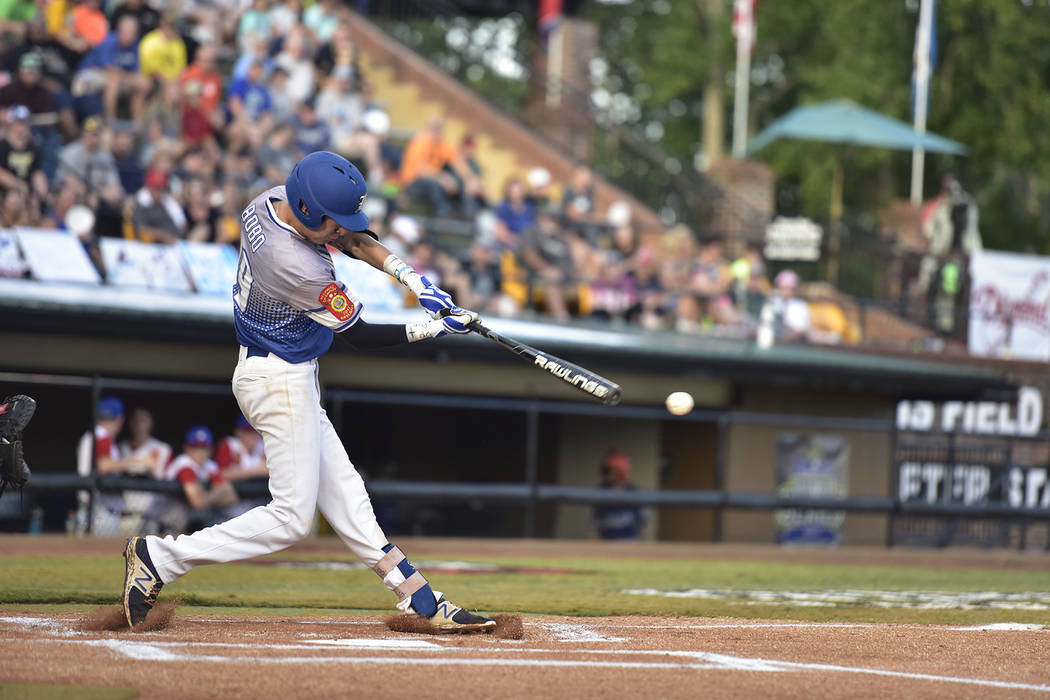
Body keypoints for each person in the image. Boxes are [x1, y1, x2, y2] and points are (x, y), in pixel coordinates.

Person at [121, 150, 496, 633]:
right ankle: (161, 557)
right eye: (332, 221)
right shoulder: (295, 265)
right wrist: (434, 329)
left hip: (287, 373)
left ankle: (422, 601)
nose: (340, 230)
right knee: (292, 520)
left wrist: (415, 279)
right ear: (305, 209)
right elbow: (358, 334)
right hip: (276, 379)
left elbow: (356, 240)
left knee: (349, 498)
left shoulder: (271, 200)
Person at [162, 426, 239, 532]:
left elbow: (231, 497)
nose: (200, 452)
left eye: (203, 447)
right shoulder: (184, 464)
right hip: (159, 518)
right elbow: (197, 502)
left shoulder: (209, 466)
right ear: (186, 448)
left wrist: (205, 498)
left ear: (210, 450)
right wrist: (216, 494)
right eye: (195, 447)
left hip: (179, 521)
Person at [214, 414, 268, 514]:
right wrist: (255, 471)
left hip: (260, 499)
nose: (252, 435)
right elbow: (222, 474)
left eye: (254, 431)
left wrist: (240, 472)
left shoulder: (264, 446)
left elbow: (275, 471)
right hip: (235, 500)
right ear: (238, 432)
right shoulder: (229, 445)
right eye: (247, 431)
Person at [593, 450, 646, 540]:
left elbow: (641, 525)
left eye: (610, 471)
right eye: (606, 471)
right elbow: (596, 523)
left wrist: (640, 545)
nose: (607, 475)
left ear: (621, 472)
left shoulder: (633, 491)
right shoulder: (601, 490)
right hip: (606, 541)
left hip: (629, 542)